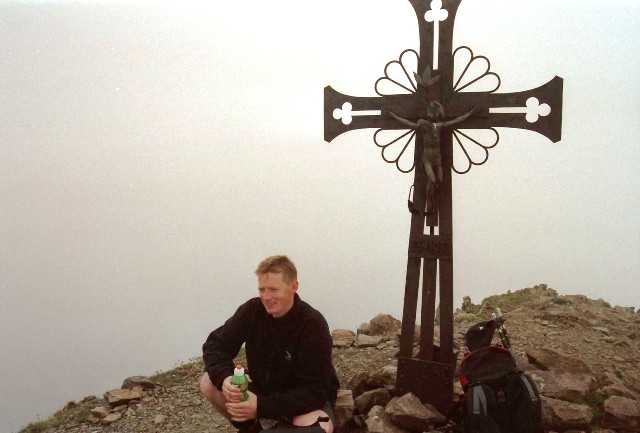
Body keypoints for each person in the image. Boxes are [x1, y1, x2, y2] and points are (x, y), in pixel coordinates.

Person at [200, 255, 339, 433]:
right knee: (209, 382)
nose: (266, 297)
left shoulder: (312, 324)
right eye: (262, 289)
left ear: (293, 287)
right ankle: (252, 428)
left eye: (273, 289)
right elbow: (215, 345)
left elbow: (315, 392)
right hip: (263, 391)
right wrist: (225, 377)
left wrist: (260, 406)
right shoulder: (252, 311)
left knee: (322, 424)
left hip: (301, 401)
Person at [388, 103, 478, 214]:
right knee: (433, 179)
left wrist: (470, 114)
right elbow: (407, 123)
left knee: (439, 180)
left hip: (438, 158)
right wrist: (393, 116)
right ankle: (429, 201)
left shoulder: (439, 126)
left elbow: (456, 121)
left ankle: (432, 197)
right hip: (427, 158)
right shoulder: (422, 126)